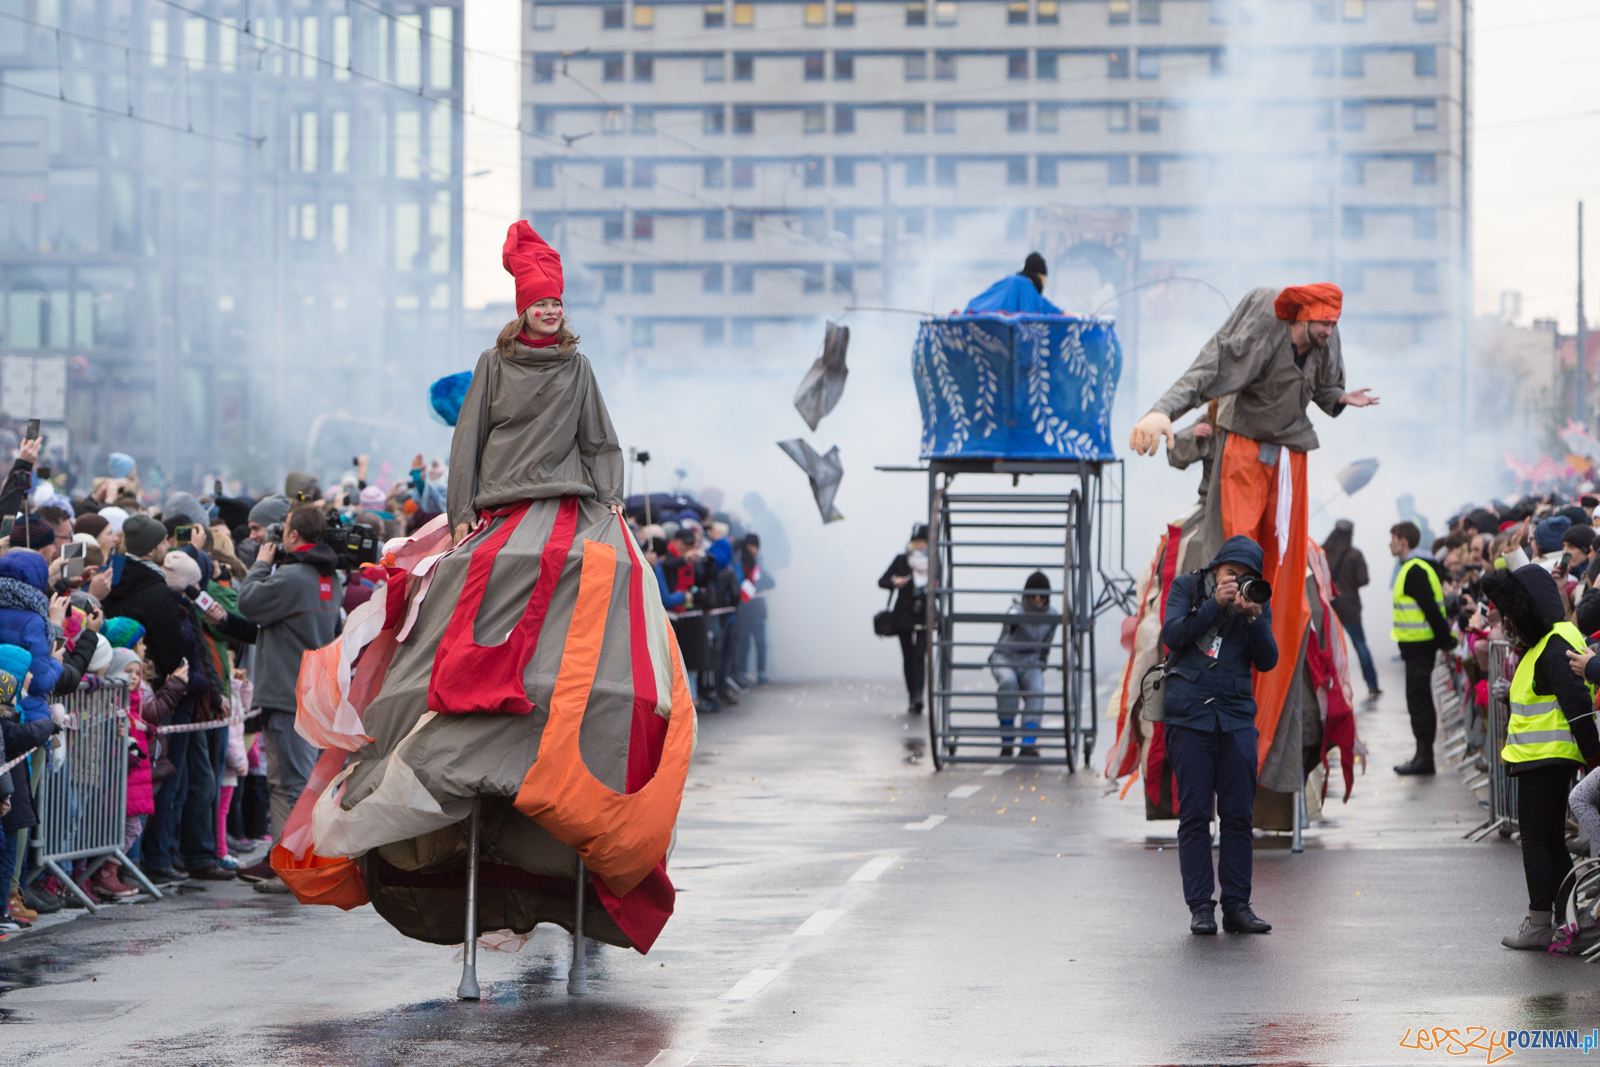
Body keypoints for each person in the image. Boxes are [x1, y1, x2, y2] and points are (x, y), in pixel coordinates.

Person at [1128, 285, 1377, 784]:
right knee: (1187, 566)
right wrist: (1171, 418)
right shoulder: (1219, 409)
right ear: (1297, 318)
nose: (1328, 331)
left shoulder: (1324, 345)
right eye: (1321, 322)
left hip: (1286, 475)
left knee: (1303, 586)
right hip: (1221, 492)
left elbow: (1325, 392)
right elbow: (1202, 381)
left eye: (1333, 324)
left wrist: (1339, 398)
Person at [1158, 535, 1279, 936]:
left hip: (1236, 718)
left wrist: (1253, 617)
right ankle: (1200, 908)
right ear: (1215, 568)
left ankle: (1237, 905)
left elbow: (1268, 660)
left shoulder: (1257, 603)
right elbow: (1172, 635)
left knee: (1239, 816)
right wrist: (1214, 604)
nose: (1237, 582)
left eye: (1245, 577)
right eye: (1231, 573)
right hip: (1189, 718)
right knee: (1195, 815)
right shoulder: (1187, 588)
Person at [1482, 565, 1600, 950]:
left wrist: (1594, 758)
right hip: (1544, 757)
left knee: (1536, 840)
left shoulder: (1555, 641)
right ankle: (1568, 921)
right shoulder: (1546, 641)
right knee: (1550, 841)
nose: (1508, 623)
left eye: (1511, 615)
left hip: (1546, 758)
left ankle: (1540, 923)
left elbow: (1577, 706)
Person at [235, 502, 342, 892]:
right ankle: (284, 859)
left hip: (288, 694)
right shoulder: (330, 577)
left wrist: (261, 564)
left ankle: (293, 867)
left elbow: (248, 602)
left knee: (291, 784)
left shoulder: (294, 577)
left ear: (293, 535)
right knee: (290, 782)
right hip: (311, 692)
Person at [1389, 521, 1453, 775]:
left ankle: (1424, 758)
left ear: (1403, 540)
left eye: (1393, 538)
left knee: (1419, 700)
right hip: (1417, 647)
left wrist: (1446, 640)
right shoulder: (1413, 567)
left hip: (1420, 646)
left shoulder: (1414, 570)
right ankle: (1422, 755)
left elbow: (1431, 610)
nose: (1390, 543)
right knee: (1418, 699)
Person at [989, 571, 1056, 758]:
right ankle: (1007, 742)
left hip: (1031, 661)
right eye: (1033, 594)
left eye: (1042, 595)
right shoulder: (1017, 609)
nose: (1037, 599)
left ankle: (1028, 743)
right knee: (1008, 683)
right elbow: (1011, 619)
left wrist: (1041, 663)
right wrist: (1015, 622)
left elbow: (1047, 643)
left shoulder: (1052, 615)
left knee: (1037, 690)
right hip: (1005, 658)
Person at [1322, 520, 1379, 697]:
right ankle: (1372, 685)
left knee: (1327, 647)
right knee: (1360, 645)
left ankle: (1328, 685)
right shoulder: (1355, 554)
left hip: (1328, 606)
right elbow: (1364, 580)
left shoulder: (1322, 552)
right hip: (1349, 607)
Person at [879, 524, 929, 715]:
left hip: (923, 614)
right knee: (908, 657)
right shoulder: (901, 560)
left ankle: (919, 696)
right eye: (916, 542)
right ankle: (912, 696)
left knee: (920, 657)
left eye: (923, 542)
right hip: (903, 615)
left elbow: (941, 584)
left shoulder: (933, 561)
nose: (919, 546)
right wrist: (895, 582)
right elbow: (882, 580)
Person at [964, 252, 1062, 314]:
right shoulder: (1028, 288)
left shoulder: (1010, 280)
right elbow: (1048, 309)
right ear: (1040, 276)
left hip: (974, 314)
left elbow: (983, 299)